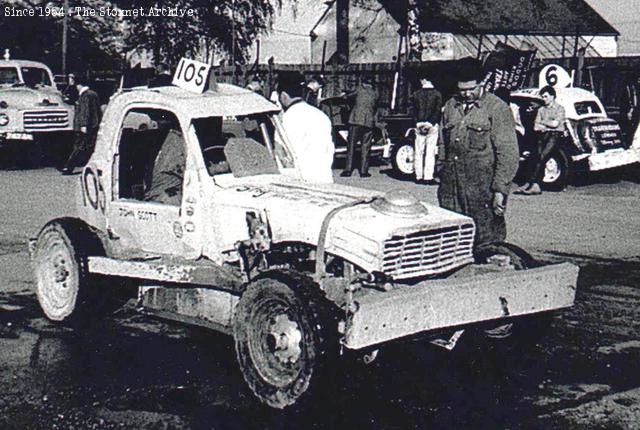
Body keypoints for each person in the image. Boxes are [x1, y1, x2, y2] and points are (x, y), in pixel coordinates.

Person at [436, 62, 519, 250]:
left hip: (482, 190)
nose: (466, 94)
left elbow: (508, 153)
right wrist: (441, 168)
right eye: (461, 89)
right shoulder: (451, 106)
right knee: (451, 239)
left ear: (482, 84)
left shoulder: (497, 108)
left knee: (487, 242)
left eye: (471, 89)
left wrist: (500, 190)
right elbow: (442, 141)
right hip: (451, 188)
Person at [277, 71, 335, 183]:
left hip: (301, 182)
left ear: (283, 95)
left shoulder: (285, 119)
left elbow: (282, 155)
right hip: (324, 178)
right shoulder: (320, 115)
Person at [516, 85, 566, 195]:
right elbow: (536, 126)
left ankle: (533, 184)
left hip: (555, 135)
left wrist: (544, 123)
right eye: (543, 97)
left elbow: (556, 124)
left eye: (546, 96)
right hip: (542, 135)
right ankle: (532, 184)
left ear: (552, 96)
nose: (544, 99)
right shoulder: (541, 110)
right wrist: (548, 124)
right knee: (535, 157)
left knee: (542, 157)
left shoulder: (560, 109)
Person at [61, 75, 102, 174]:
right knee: (89, 147)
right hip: (94, 125)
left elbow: (85, 111)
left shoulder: (84, 96)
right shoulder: (93, 94)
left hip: (84, 126)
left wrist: (83, 125)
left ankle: (68, 167)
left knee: (79, 147)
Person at [340, 76, 378, 177]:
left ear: (363, 83)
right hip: (369, 122)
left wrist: (344, 95)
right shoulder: (375, 93)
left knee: (351, 146)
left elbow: (346, 98)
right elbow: (375, 107)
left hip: (356, 121)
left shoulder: (359, 90)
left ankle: (347, 170)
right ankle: (364, 171)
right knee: (366, 147)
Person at [410, 76, 442, 184]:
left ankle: (418, 176)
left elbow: (413, 111)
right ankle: (428, 177)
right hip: (432, 125)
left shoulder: (416, 94)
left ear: (423, 80)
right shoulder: (437, 94)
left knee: (418, 151)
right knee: (430, 152)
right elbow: (437, 111)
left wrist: (418, 123)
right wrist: (430, 123)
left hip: (419, 124)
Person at [145, 126, 186, 204]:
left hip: (165, 191)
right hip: (162, 194)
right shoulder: (175, 141)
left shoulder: (174, 139)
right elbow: (179, 168)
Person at [621, 76, 640, 140]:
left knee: (635, 125)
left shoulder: (637, 89)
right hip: (630, 110)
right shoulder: (628, 89)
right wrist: (629, 111)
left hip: (636, 110)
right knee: (630, 127)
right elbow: (625, 102)